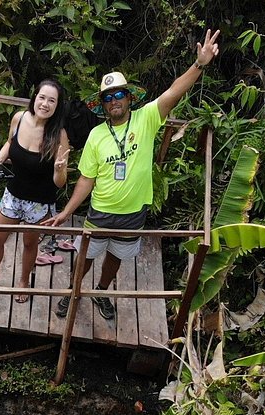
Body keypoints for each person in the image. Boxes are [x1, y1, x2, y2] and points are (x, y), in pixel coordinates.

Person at [46, 29, 220, 321]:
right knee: (85, 255)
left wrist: (199, 64)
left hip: (134, 212)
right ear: (102, 105)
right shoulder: (96, 136)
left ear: (129, 98)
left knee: (117, 256)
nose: (114, 100)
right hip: (100, 211)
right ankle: (72, 290)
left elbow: (174, 91)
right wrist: (67, 212)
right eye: (108, 97)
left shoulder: (147, 117)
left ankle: (101, 291)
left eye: (119, 95)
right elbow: (87, 179)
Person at [0, 79, 71, 303]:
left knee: (29, 243)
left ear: (57, 106)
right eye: (42, 97)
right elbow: (10, 142)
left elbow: (59, 183)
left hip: (38, 200)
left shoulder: (59, 136)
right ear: (34, 98)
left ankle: (24, 282)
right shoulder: (19, 119)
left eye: (52, 100)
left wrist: (59, 169)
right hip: (14, 193)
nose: (45, 104)